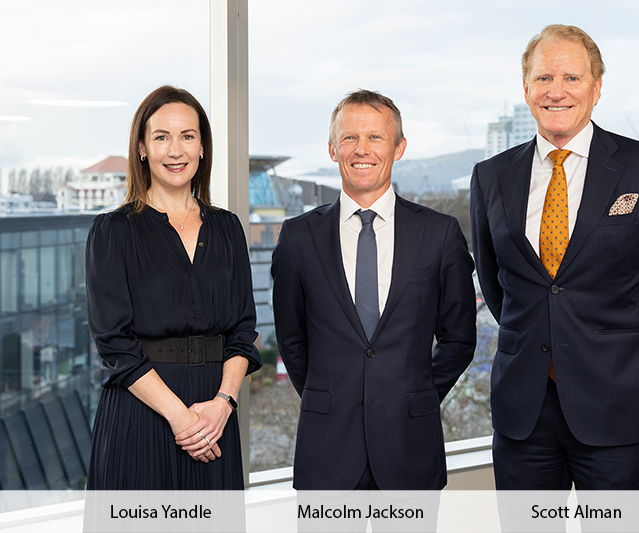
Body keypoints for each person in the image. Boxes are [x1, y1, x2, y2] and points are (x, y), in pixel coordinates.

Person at [470, 25, 639, 491]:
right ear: (526, 88)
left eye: (572, 78)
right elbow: (496, 285)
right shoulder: (491, 176)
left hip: (618, 403)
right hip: (523, 409)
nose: (556, 91)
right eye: (544, 78)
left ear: (596, 87)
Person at [271, 89, 476, 491]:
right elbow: (292, 340)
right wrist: (329, 397)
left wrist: (414, 395)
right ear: (332, 149)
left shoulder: (439, 234)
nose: (361, 149)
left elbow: (459, 339)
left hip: (411, 449)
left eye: (375, 137)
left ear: (399, 148)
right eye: (349, 137)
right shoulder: (298, 238)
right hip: (327, 451)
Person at [85, 85, 261, 490]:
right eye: (162, 137)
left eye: (187, 136)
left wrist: (223, 404)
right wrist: (182, 419)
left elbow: (243, 331)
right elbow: (113, 343)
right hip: (141, 413)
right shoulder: (113, 231)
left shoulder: (228, 228)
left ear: (203, 147)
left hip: (215, 418)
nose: (176, 150)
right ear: (142, 148)